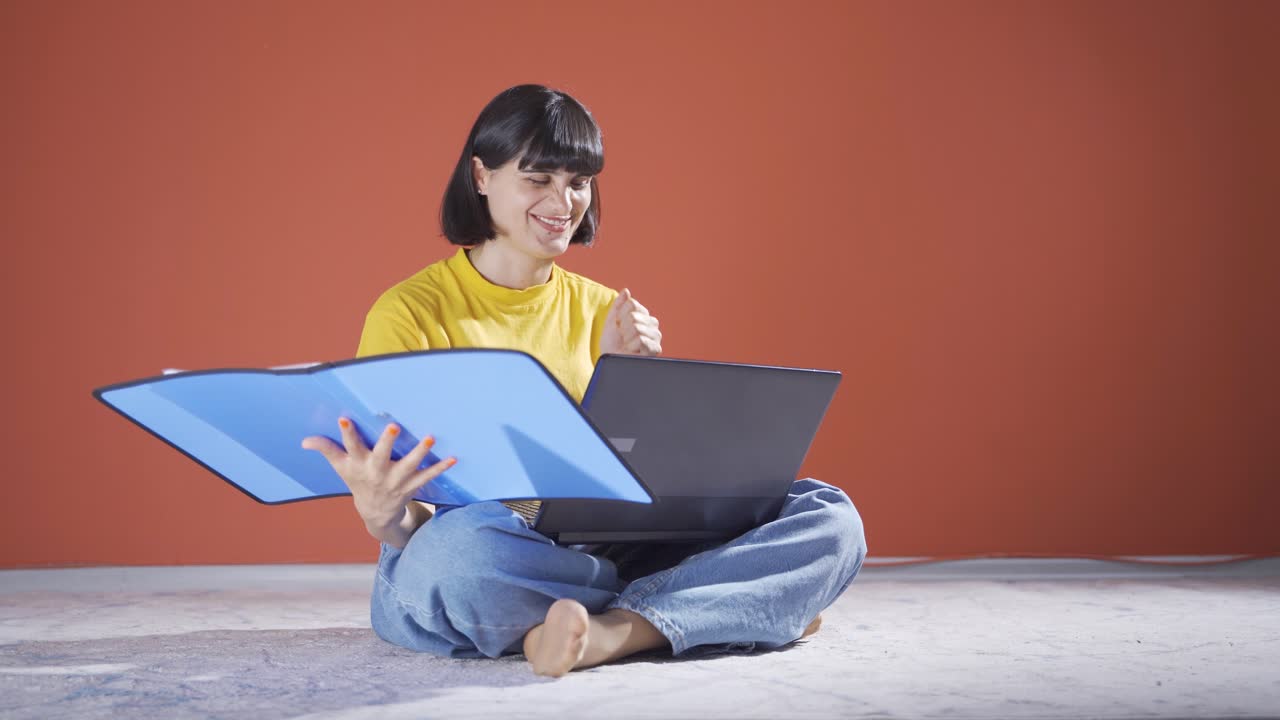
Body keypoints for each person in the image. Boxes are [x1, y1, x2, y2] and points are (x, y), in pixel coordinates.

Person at [302, 84, 867, 677]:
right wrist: (380, 514)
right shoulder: (409, 313)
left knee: (829, 516)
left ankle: (611, 633)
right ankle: (728, 607)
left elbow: (627, 491)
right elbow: (411, 522)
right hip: (491, 551)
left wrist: (633, 382)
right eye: (539, 179)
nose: (563, 201)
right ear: (481, 176)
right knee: (458, 559)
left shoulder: (607, 311)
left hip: (608, 544)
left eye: (578, 181)